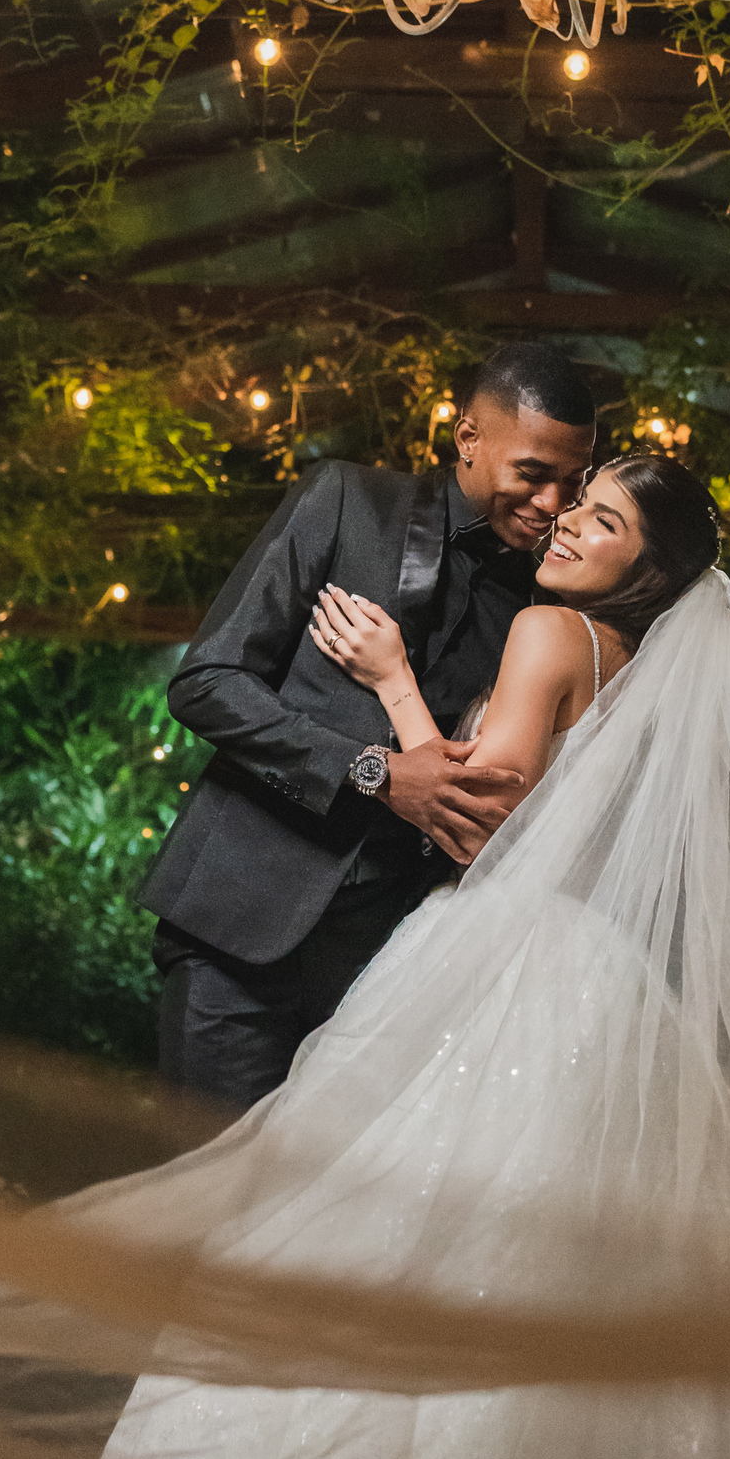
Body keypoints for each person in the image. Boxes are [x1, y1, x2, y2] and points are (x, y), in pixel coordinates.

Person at [67, 450, 730, 1459]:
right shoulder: (645, 668)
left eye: (604, 521)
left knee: (401, 1221)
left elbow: (483, 832)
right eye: (582, 503)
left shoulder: (546, 632)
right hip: (606, 979)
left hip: (506, 954)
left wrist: (394, 682)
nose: (569, 522)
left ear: (646, 571)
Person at [142, 342, 596, 1114]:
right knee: (204, 1177)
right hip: (239, 933)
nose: (553, 502)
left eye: (573, 480)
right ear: (468, 438)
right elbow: (208, 683)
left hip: (388, 970)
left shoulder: (547, 601)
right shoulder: (348, 500)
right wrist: (374, 772)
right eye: (533, 472)